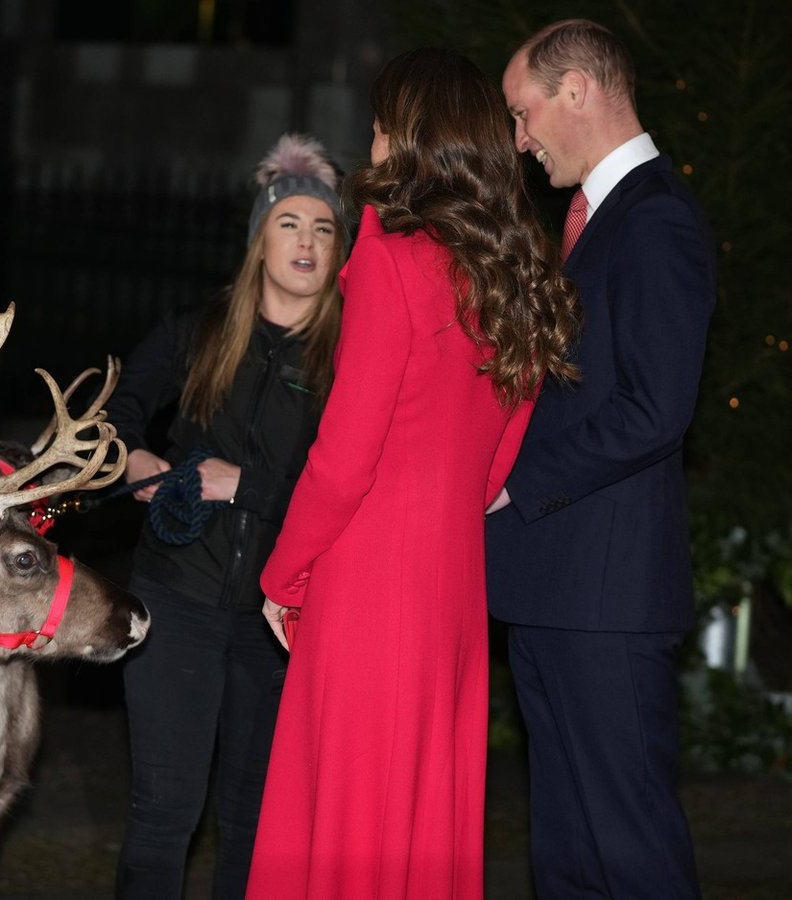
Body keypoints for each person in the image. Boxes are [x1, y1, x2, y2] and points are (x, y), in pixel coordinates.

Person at [247, 49, 581, 899]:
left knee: (348, 825)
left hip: (369, 585)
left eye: (381, 124)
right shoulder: (510, 271)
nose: (371, 139)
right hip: (451, 586)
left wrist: (285, 573)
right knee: (421, 825)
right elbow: (500, 456)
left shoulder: (395, 260)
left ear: (411, 138)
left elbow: (344, 455)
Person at [486, 19, 715, 897]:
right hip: (556, 590)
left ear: (576, 89)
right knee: (570, 857)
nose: (519, 140)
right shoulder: (597, 218)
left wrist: (514, 484)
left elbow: (656, 411)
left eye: (522, 113)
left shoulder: (656, 218)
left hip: (607, 599)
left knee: (632, 852)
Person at [108, 133, 347, 899]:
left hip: (279, 616)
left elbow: (349, 493)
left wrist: (242, 484)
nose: (306, 241)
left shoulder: (351, 359)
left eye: (322, 228)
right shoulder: (201, 330)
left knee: (254, 820)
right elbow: (111, 414)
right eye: (289, 224)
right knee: (162, 812)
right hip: (176, 595)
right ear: (259, 240)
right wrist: (132, 459)